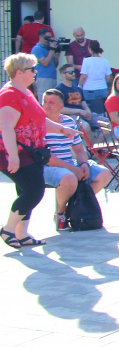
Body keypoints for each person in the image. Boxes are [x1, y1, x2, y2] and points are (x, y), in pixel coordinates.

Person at [41, 89, 110, 232]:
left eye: (51, 102)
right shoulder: (39, 124)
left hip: (70, 163)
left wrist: (83, 164)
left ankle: (73, 206)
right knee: (70, 177)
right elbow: (48, 158)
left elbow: (78, 149)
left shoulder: (69, 121)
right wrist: (74, 169)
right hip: (48, 166)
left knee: (104, 174)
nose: (47, 105)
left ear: (61, 106)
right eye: (45, 102)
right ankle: (60, 214)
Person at [1, 53, 51, 248]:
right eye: (32, 69)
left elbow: (38, 119)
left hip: (31, 151)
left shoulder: (25, 92)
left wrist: (63, 129)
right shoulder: (9, 94)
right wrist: (13, 156)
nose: (35, 72)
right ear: (19, 73)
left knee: (26, 190)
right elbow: (6, 126)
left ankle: (21, 233)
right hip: (14, 152)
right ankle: (8, 229)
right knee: (34, 190)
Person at [55, 61, 97, 135]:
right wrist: (79, 111)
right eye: (70, 72)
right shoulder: (58, 90)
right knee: (85, 126)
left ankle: (96, 142)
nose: (74, 74)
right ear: (63, 75)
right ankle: (90, 143)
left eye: (74, 72)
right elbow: (59, 109)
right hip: (70, 115)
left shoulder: (78, 89)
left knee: (107, 124)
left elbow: (84, 105)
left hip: (83, 113)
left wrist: (88, 113)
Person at [78, 40, 112, 106]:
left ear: (90, 49)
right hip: (102, 88)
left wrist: (79, 86)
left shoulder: (86, 61)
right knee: (102, 108)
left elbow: (83, 76)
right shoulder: (105, 61)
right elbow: (108, 78)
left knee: (91, 109)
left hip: (89, 89)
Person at [30, 28, 60, 99]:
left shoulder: (48, 49)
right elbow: (45, 63)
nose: (49, 40)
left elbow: (55, 65)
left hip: (52, 77)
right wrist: (52, 50)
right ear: (40, 37)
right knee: (45, 99)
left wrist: (56, 57)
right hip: (43, 77)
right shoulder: (37, 49)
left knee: (53, 99)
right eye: (47, 38)